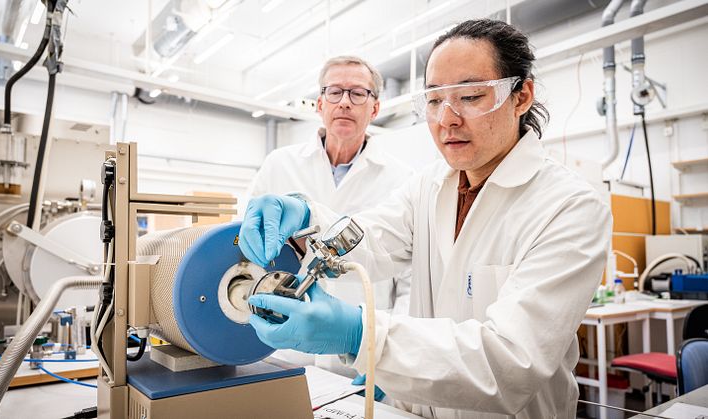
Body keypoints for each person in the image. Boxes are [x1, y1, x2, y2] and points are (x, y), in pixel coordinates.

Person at [240, 19, 611, 419]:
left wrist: (362, 335)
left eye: (469, 96)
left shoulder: (569, 206)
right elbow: (371, 239)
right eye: (434, 100)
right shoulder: (429, 187)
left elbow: (509, 362)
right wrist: (306, 218)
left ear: (521, 97)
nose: (447, 119)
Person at [245, 56, 413, 379]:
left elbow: (410, 283)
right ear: (320, 104)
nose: (345, 103)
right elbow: (247, 246)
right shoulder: (279, 165)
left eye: (358, 93)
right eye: (335, 92)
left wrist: (386, 360)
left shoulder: (402, 179)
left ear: (375, 108)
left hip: (360, 356)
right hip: (283, 351)